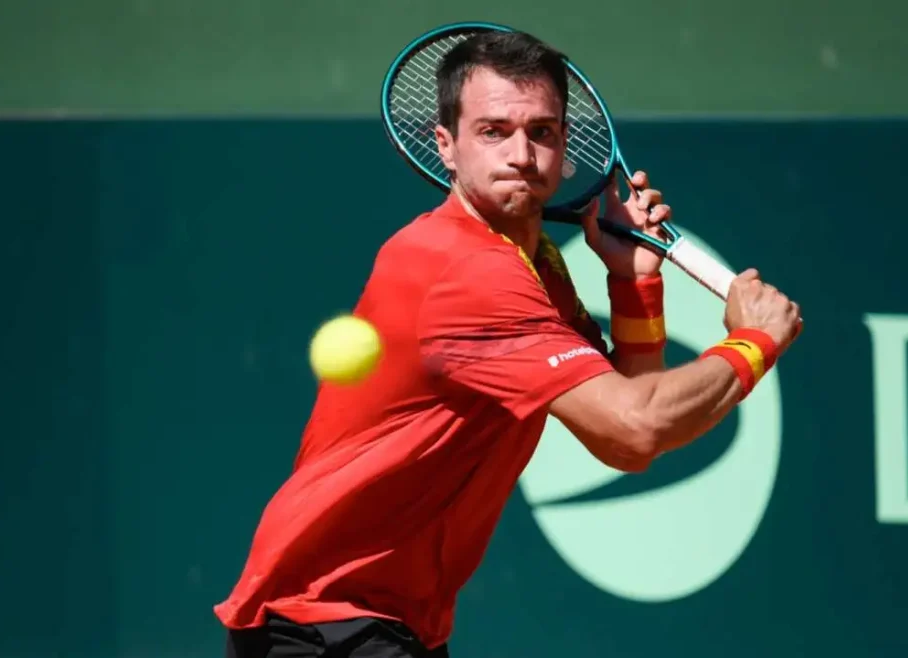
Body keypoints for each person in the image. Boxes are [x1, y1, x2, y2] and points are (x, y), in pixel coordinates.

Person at [215, 29, 801, 658]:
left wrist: (633, 285)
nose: (521, 154)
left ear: (564, 143)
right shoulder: (467, 270)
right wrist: (754, 342)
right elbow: (638, 426)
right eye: (494, 131)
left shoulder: (536, 266)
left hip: (381, 623)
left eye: (541, 132)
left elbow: (622, 443)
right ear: (446, 145)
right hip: (327, 623)